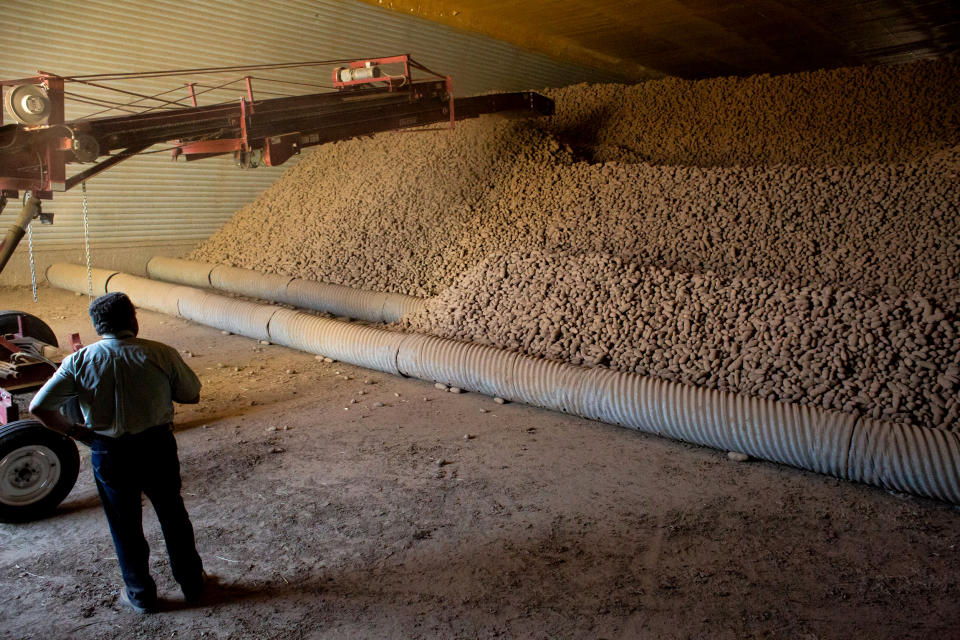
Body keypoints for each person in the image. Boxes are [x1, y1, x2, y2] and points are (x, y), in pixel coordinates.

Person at [30, 292, 206, 614]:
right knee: (173, 515)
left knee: (124, 525)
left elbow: (39, 407)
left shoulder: (79, 361)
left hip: (109, 451)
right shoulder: (162, 353)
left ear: (97, 326)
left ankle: (141, 595)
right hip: (157, 447)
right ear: (133, 320)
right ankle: (193, 585)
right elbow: (191, 395)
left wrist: (76, 431)